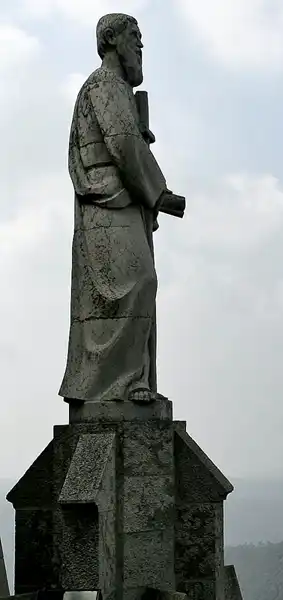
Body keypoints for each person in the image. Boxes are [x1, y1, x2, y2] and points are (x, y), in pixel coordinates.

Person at [60, 13, 185, 405]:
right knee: (139, 282)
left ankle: (130, 381)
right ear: (111, 39)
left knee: (140, 287)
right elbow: (124, 147)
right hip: (109, 202)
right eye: (135, 36)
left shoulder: (116, 91)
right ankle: (122, 384)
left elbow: (128, 141)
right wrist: (160, 195)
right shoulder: (105, 86)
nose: (140, 46)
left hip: (121, 203)